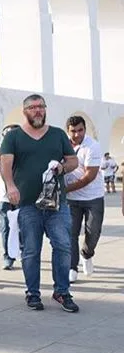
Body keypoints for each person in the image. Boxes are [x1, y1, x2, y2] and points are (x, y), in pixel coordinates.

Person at [0, 94, 79, 313]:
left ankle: (62, 292)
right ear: (24, 111)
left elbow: (73, 160)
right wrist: (10, 186)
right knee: (31, 251)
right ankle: (32, 293)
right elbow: (5, 164)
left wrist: (62, 168)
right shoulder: (14, 137)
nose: (38, 111)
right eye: (33, 107)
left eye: (41, 107)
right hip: (27, 204)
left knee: (63, 246)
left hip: (57, 203)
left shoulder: (57, 135)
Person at [65, 115, 104, 281]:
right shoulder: (63, 145)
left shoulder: (93, 146)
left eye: (80, 130)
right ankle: (72, 267)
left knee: (93, 232)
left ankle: (87, 254)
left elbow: (89, 176)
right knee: (70, 234)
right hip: (71, 200)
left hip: (93, 197)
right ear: (68, 131)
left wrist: (64, 189)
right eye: (73, 131)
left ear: (85, 129)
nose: (76, 134)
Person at [0, 124, 20, 270]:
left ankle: (22, 249)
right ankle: (8, 256)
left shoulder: (23, 150)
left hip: (22, 195)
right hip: (5, 196)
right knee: (6, 227)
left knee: (23, 225)